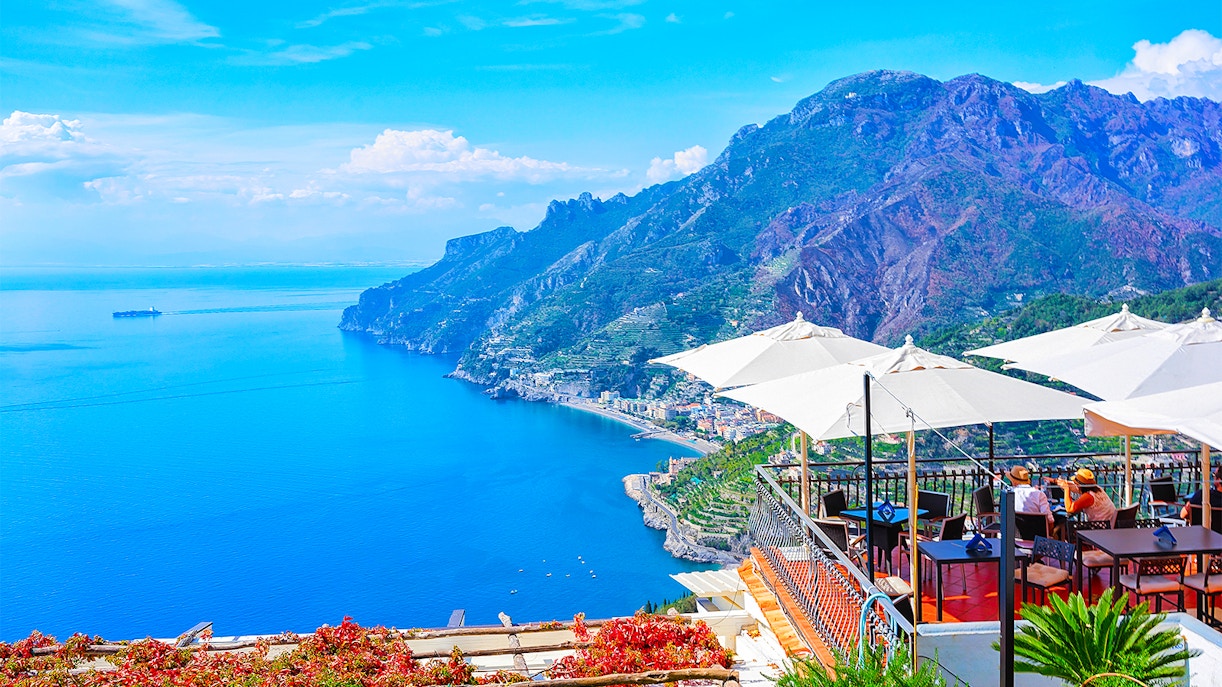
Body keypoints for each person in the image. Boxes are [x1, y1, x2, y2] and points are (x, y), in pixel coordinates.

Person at [1007, 465, 1055, 532]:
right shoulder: (1039, 494)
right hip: (1037, 538)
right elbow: (1050, 521)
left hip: (1015, 538)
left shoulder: (1009, 495)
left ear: (1013, 482)